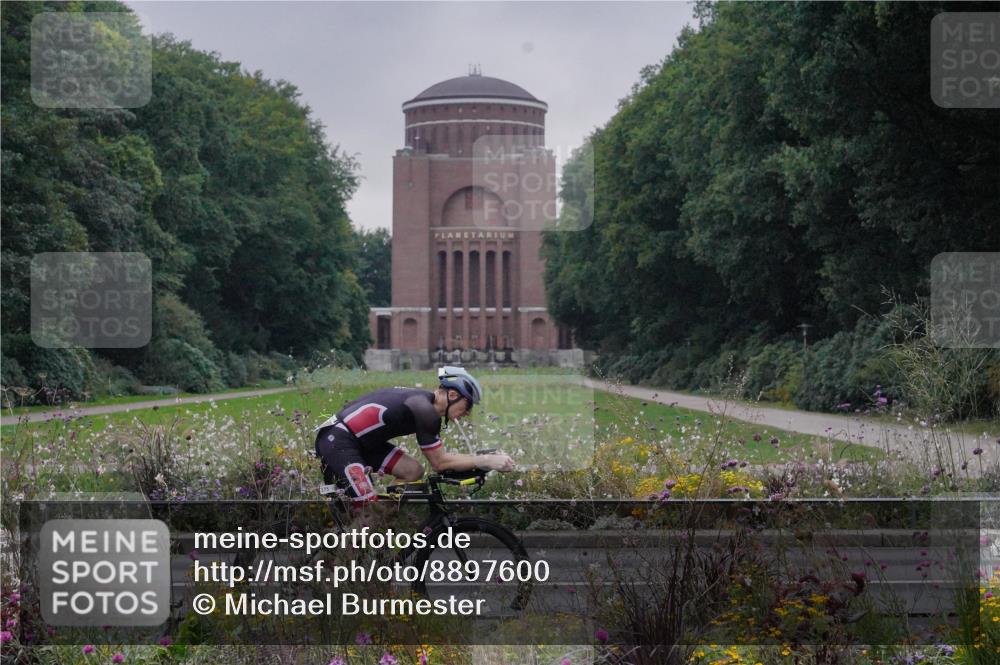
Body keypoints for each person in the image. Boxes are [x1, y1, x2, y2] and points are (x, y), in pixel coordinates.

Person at [314, 366, 515, 505]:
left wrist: (485, 459)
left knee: (412, 471)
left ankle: (380, 524)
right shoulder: (425, 410)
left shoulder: (425, 405)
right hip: (339, 442)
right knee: (369, 513)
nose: (467, 413)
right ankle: (331, 565)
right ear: (453, 395)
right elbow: (441, 463)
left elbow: (441, 458)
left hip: (362, 443)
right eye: (468, 405)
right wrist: (487, 460)